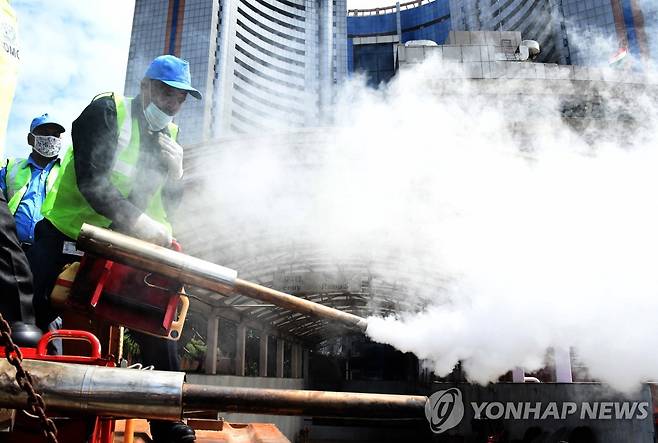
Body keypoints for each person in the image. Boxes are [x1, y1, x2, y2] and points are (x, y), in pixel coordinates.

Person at [29, 55, 201, 443]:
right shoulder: (107, 111)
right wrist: (140, 222)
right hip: (69, 230)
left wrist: (176, 179)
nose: (172, 105)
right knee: (31, 306)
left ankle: (167, 420)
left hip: (119, 240)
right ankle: (27, 399)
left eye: (180, 99)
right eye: (167, 94)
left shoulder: (169, 139)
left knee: (156, 313)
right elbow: (92, 181)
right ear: (146, 88)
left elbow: (165, 207)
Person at [0, 114, 64, 249]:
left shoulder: (65, 172)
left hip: (47, 251)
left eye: (56, 135)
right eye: (45, 133)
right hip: (9, 247)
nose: (51, 139)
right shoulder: (10, 167)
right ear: (30, 139)